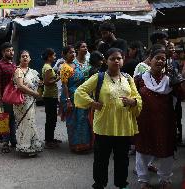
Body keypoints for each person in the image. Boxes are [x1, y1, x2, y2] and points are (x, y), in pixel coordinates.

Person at [74, 48, 142, 189]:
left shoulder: (128, 79)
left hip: (124, 125)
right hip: (104, 126)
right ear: (106, 61)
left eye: (119, 58)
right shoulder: (98, 77)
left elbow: (137, 97)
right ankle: (99, 184)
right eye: (112, 58)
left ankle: (122, 184)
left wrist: (133, 102)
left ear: (123, 60)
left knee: (122, 159)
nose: (116, 61)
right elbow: (80, 92)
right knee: (101, 159)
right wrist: (92, 103)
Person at [134, 48, 185, 189]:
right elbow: (133, 98)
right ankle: (143, 180)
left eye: (163, 58)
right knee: (142, 150)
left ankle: (165, 179)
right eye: (157, 58)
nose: (161, 61)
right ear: (149, 60)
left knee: (166, 151)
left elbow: (181, 95)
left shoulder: (171, 80)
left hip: (166, 122)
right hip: (144, 121)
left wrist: (178, 79)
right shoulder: (139, 79)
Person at [60, 45, 92, 153]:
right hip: (71, 97)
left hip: (80, 96)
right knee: (73, 121)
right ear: (64, 55)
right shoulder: (64, 67)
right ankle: (75, 145)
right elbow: (64, 86)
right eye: (70, 52)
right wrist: (68, 100)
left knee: (82, 119)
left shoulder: (76, 64)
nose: (73, 54)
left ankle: (84, 144)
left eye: (73, 52)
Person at [13, 50, 43, 156]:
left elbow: (38, 83)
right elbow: (20, 86)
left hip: (31, 100)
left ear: (30, 58)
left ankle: (32, 145)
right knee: (25, 122)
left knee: (30, 122)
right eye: (23, 56)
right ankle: (24, 146)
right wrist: (34, 93)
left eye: (27, 56)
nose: (25, 58)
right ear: (20, 59)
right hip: (22, 101)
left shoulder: (33, 72)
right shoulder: (18, 70)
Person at [0, 42, 17, 153]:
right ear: (3, 52)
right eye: (8, 50)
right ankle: (5, 143)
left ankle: (13, 141)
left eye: (12, 50)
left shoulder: (13, 64)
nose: (11, 52)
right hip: (5, 97)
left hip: (15, 97)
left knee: (13, 120)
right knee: (5, 120)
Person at [41, 48, 61, 149]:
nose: (55, 57)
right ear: (49, 57)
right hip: (49, 96)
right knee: (51, 119)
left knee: (52, 119)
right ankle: (48, 141)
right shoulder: (48, 68)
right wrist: (58, 78)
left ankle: (51, 138)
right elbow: (47, 82)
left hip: (50, 96)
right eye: (54, 55)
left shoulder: (48, 66)